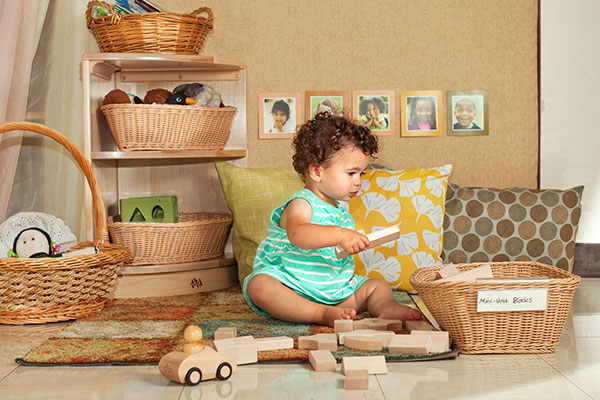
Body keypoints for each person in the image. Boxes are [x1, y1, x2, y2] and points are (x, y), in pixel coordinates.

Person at [244, 112, 423, 327]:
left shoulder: (340, 209)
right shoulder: (302, 203)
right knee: (259, 285)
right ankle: (319, 314)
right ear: (317, 172)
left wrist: (352, 244)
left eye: (361, 174)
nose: (358, 182)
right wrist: (340, 235)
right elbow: (298, 234)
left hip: (335, 290)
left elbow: (334, 252)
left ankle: (385, 307)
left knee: (376, 286)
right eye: (351, 173)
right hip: (294, 288)